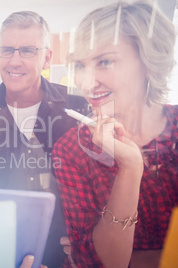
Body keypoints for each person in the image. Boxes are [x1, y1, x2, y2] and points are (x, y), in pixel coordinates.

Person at [53, 1, 177, 267]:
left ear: (149, 61)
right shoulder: (72, 148)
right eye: (80, 66)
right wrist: (130, 168)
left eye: (105, 62)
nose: (86, 83)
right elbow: (101, 262)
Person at [0, 11, 88, 267]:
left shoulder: (78, 108)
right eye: (7, 50)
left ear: (46, 58)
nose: (14, 61)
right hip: (2, 255)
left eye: (27, 50)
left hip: (69, 257)